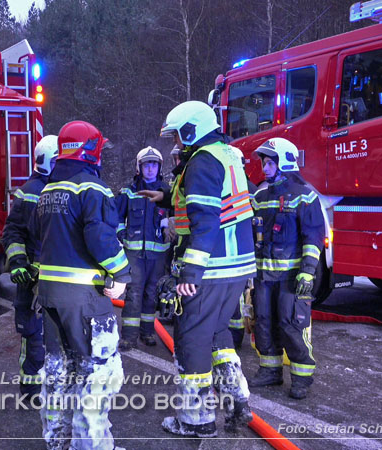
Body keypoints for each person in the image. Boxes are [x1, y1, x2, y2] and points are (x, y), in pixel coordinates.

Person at [140, 101, 256, 437]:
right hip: (234, 267)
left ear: (193, 128)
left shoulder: (202, 161)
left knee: (190, 340)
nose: (176, 142)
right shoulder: (226, 154)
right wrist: (163, 198)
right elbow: (215, 202)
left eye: (178, 135)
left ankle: (196, 420)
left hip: (210, 269)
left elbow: (205, 220)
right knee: (217, 334)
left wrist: (189, 274)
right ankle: (238, 404)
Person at [29, 120, 129, 450]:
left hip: (50, 296)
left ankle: (57, 442)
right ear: (91, 152)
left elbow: (35, 234)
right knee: (97, 374)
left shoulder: (46, 191)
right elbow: (101, 239)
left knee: (58, 372)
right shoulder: (92, 188)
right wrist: (122, 273)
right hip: (85, 297)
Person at [248, 137, 323, 400]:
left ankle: (302, 377)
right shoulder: (259, 196)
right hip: (263, 277)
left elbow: (313, 237)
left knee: (292, 324)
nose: (265, 168)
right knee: (264, 322)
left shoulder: (305, 195)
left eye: (270, 163)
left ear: (286, 162)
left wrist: (308, 270)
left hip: (291, 277)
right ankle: (270, 370)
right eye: (264, 163)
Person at [1, 134, 59, 399]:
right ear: (46, 162)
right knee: (34, 337)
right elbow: (13, 231)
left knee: (58, 336)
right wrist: (18, 263)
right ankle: (31, 389)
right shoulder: (31, 191)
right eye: (58, 160)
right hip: (33, 280)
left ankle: (52, 385)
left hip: (57, 279)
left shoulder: (65, 188)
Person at [115, 146, 169, 350]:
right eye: (147, 165)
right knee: (134, 293)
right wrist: (122, 235)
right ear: (139, 167)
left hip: (158, 254)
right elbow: (118, 218)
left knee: (151, 294)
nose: (150, 169)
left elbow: (176, 217)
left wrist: (170, 224)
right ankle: (129, 336)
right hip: (135, 254)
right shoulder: (128, 192)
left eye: (154, 164)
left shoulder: (166, 193)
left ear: (159, 167)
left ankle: (147, 333)